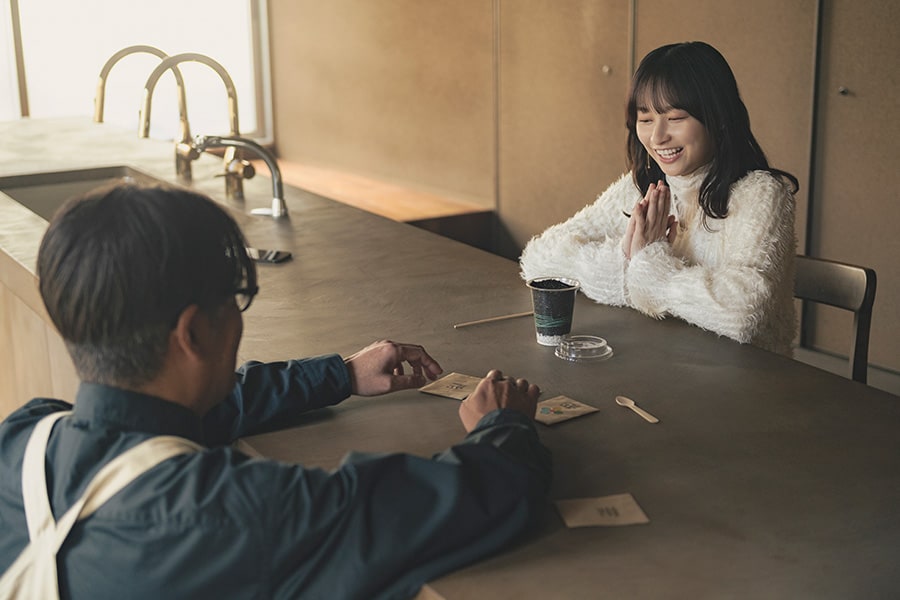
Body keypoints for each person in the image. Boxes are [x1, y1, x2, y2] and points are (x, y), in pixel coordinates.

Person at [0, 183, 551, 599]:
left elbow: (176, 422)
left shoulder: (24, 436)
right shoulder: (239, 511)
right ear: (193, 333)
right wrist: (502, 426)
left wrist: (340, 374)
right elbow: (475, 499)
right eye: (235, 302)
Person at [519, 41, 799, 355]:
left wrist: (649, 266)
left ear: (718, 118)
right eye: (646, 119)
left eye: (676, 118)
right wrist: (629, 263)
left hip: (752, 380)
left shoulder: (760, 194)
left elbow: (745, 312)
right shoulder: (643, 185)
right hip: (661, 362)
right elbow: (538, 258)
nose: (657, 137)